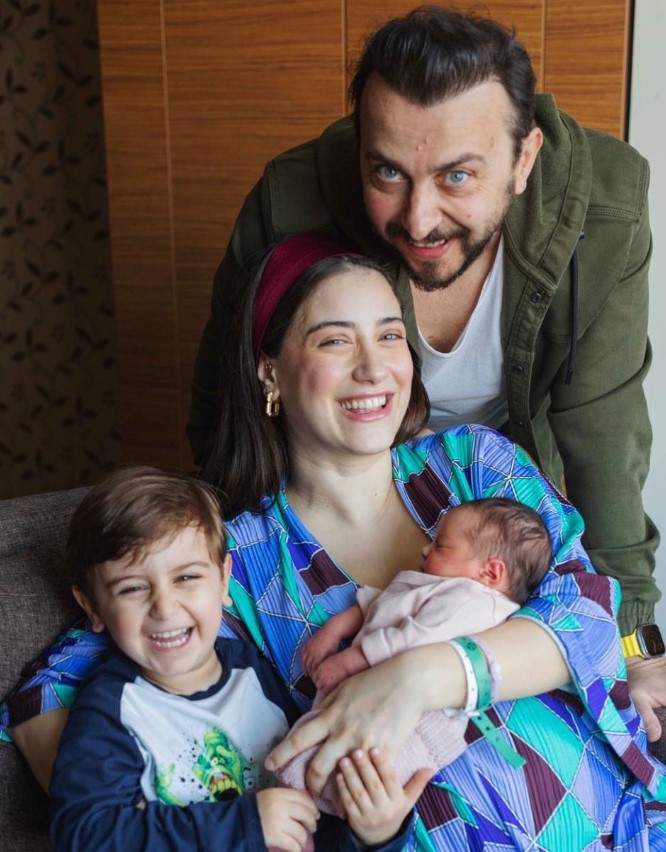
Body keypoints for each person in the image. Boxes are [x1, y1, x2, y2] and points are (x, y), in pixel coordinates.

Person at [2, 233, 666, 850]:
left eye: (390, 335)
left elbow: (587, 611)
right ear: (269, 373)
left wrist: (413, 679)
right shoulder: (230, 561)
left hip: (625, 820)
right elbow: (48, 691)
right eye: (335, 341)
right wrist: (177, 817)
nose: (374, 368)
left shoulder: (474, 464)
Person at [186, 5, 665, 723]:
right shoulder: (287, 205)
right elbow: (221, 412)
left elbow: (605, 434)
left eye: (458, 176)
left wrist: (637, 645)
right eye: (388, 172)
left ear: (524, 159)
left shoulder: (607, 207)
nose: (418, 219)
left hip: (492, 508)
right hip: (334, 507)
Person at [50, 466, 423, 852]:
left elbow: (315, 812)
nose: (165, 607)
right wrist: (245, 823)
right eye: (132, 588)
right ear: (92, 606)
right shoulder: (112, 708)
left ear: (224, 580)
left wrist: (374, 835)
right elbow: (84, 835)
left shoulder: (253, 671)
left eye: (186, 578)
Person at [278, 497, 552, 812]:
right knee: (312, 758)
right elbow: (384, 606)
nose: (425, 549)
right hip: (374, 702)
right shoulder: (441, 589)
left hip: (416, 724)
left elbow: (414, 640)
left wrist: (348, 661)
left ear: (490, 572)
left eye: (441, 546)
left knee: (346, 774)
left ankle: (307, 808)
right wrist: (334, 629)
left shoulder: (472, 602)